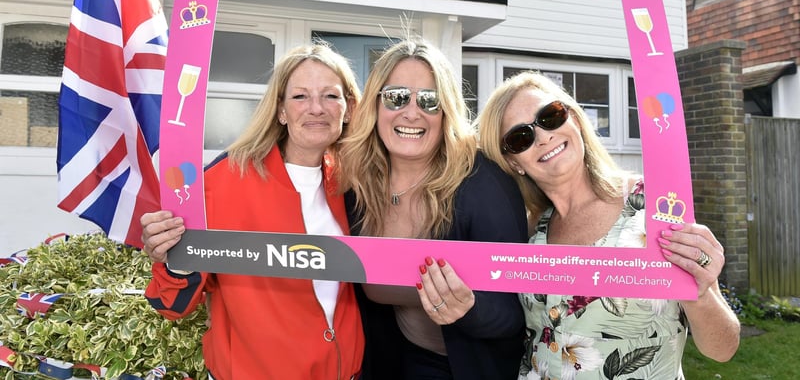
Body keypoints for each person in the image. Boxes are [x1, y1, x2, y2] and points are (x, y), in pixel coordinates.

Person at [476, 70, 741, 380]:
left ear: (573, 118)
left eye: (551, 116)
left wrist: (700, 290)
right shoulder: (527, 232)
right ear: (512, 162)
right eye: (521, 137)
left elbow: (722, 350)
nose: (543, 136)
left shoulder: (654, 206)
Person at [140, 43, 364, 380]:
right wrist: (170, 255)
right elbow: (172, 304)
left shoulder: (354, 183)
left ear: (348, 108)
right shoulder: (222, 182)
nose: (317, 108)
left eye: (331, 96)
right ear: (281, 111)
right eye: (300, 96)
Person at [338, 38, 529, 380]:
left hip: (466, 368)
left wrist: (468, 307)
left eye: (429, 101)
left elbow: (516, 314)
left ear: (446, 112)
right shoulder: (357, 183)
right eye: (396, 97)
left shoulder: (482, 184)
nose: (412, 112)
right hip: (392, 362)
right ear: (375, 105)